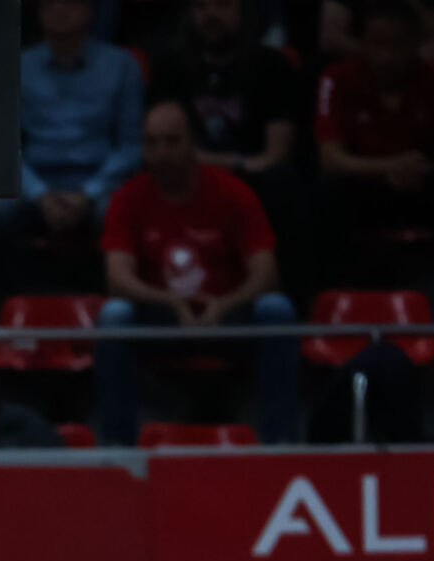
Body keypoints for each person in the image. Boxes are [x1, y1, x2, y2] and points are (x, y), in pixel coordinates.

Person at [96, 99, 299, 445]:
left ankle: (281, 444)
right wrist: (171, 301)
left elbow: (267, 273)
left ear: (193, 144)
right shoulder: (128, 197)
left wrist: (225, 304)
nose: (160, 153)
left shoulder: (233, 193)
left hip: (226, 316)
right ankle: (117, 450)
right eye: (151, 142)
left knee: (277, 308)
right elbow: (117, 279)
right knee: (113, 315)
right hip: (164, 319)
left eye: (171, 141)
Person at [0, 0, 142, 292]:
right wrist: (40, 194)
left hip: (99, 181)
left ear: (89, 9)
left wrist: (88, 194)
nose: (59, 10)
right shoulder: (17, 66)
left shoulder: (122, 65)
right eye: (49, 4)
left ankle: (109, 303)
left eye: (69, 3)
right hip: (36, 180)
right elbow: (5, 146)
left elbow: (131, 147)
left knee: (114, 213)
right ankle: (16, 307)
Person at [314, 1, 434, 274]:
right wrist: (389, 167)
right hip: (364, 184)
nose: (386, 56)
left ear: (416, 45)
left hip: (423, 183)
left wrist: (425, 170)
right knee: (325, 193)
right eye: (377, 44)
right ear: (361, 43)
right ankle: (331, 294)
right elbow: (330, 158)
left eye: (398, 45)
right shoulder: (337, 78)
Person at [148, 0, 300, 189]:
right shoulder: (169, 69)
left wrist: (226, 164)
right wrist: (234, 162)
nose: (211, 14)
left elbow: (276, 156)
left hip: (254, 182)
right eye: (201, 6)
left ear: (242, 11)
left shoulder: (273, 67)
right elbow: (160, 150)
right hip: (186, 180)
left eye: (222, 4)